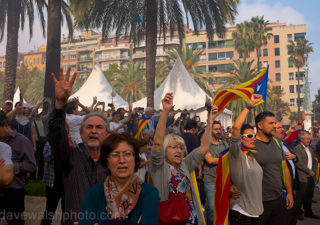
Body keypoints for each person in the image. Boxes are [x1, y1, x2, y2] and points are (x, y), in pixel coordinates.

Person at [48, 68, 108, 225]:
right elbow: (56, 136)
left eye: (99, 127)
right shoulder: (70, 158)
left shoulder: (114, 163)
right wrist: (60, 104)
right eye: (89, 127)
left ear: (106, 134)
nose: (94, 131)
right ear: (81, 134)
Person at [150, 92, 219, 225]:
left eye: (181, 148)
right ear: (164, 151)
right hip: (168, 219)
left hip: (190, 219)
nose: (179, 151)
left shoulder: (184, 165)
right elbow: (157, 144)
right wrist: (165, 111)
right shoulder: (158, 166)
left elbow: (204, 147)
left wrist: (210, 120)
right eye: (173, 147)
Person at [79, 133, 159, 225]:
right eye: (115, 155)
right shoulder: (94, 193)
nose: (122, 160)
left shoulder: (149, 193)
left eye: (127, 154)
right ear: (107, 161)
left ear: (135, 159)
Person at [228, 94, 264, 225]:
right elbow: (236, 128)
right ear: (241, 138)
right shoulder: (236, 154)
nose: (253, 138)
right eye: (249, 135)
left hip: (257, 211)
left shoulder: (253, 156)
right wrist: (249, 105)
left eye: (254, 136)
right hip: (241, 211)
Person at [254, 111, 294, 225]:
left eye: (275, 123)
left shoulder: (276, 142)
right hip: (258, 202)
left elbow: (284, 168)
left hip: (278, 199)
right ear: (260, 125)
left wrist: (289, 193)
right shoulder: (251, 145)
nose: (274, 126)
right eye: (271, 123)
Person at [0, 112, 36, 225]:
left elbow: (31, 165)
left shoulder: (22, 141)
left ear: (5, 126)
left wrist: (10, 167)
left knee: (16, 221)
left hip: (14, 191)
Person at [203, 120, 228, 225]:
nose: (219, 131)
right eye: (216, 129)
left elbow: (229, 159)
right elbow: (209, 160)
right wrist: (223, 160)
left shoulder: (225, 144)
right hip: (210, 180)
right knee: (212, 209)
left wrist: (216, 159)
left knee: (221, 208)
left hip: (223, 180)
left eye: (220, 129)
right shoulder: (205, 144)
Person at [275, 121, 298, 225]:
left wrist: (294, 157)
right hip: (280, 188)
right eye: (279, 128)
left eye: (282, 127)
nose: (282, 130)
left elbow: (293, 158)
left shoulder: (284, 143)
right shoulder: (272, 146)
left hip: (291, 186)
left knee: (292, 215)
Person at [293, 131, 320, 220]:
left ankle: (308, 212)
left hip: (311, 176)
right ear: (301, 139)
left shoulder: (310, 149)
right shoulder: (297, 149)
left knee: (309, 196)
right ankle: (297, 213)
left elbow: (315, 162)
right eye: (307, 139)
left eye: (309, 138)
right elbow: (299, 163)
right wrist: (309, 171)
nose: (309, 140)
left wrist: (313, 172)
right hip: (302, 177)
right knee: (300, 197)